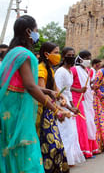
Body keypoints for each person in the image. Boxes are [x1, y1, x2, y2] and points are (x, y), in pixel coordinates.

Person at [0, 15, 64, 173]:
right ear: (29, 31)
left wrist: (48, 91)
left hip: (7, 110)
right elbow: (29, 85)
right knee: (25, 150)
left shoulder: (11, 53)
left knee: (10, 151)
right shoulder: (24, 55)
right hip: (18, 112)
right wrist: (54, 108)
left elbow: (20, 83)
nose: (37, 34)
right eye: (36, 31)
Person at [37, 42, 71, 172]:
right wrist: (57, 110)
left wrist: (62, 99)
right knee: (51, 146)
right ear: (46, 54)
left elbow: (55, 91)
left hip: (50, 111)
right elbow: (42, 93)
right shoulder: (41, 69)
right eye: (56, 53)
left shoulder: (50, 69)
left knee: (58, 146)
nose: (58, 56)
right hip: (42, 112)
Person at [55, 47, 86, 166]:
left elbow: (68, 92)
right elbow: (58, 93)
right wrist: (68, 107)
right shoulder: (60, 72)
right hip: (61, 105)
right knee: (66, 133)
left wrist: (73, 106)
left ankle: (70, 159)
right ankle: (64, 159)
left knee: (72, 132)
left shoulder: (69, 71)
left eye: (73, 55)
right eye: (69, 55)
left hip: (68, 103)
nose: (71, 57)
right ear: (63, 57)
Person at [71, 50, 99, 158]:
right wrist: (78, 90)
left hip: (87, 100)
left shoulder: (88, 71)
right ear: (80, 59)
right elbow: (67, 85)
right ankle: (83, 150)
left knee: (90, 124)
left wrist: (92, 86)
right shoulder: (74, 70)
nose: (88, 60)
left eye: (89, 57)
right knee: (82, 125)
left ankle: (91, 148)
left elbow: (87, 85)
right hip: (78, 100)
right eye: (86, 58)